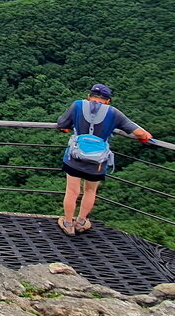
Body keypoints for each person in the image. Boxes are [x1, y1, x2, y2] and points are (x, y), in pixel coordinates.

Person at [55, 83, 152, 236]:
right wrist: (145, 136)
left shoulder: (78, 105)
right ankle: (81, 222)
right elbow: (140, 133)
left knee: (72, 191)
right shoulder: (113, 113)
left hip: (74, 157)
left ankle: (68, 224)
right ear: (108, 101)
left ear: (89, 97)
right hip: (97, 161)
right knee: (90, 190)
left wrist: (68, 127)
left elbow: (61, 124)